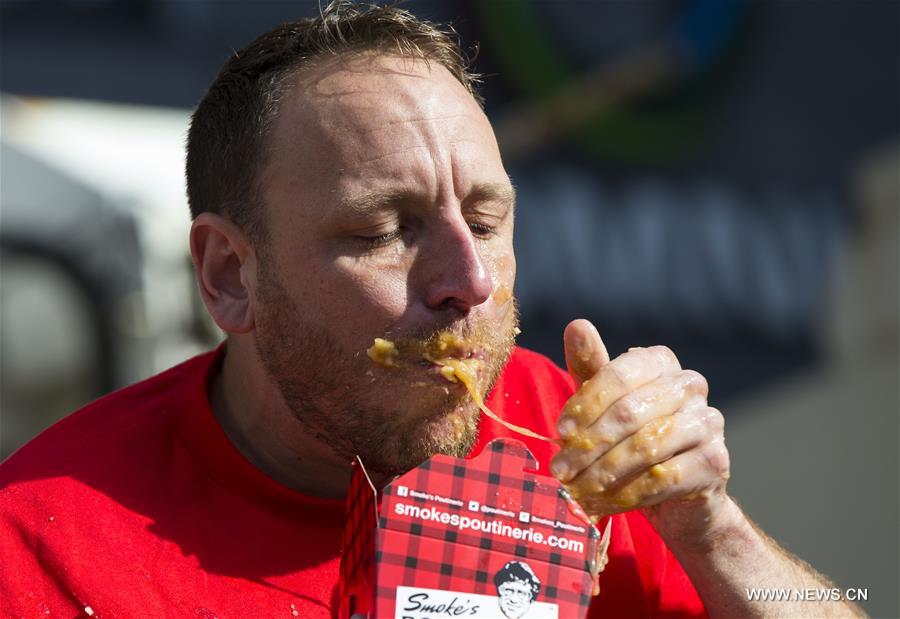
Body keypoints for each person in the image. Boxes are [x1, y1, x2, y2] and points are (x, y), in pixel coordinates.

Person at [1, 3, 863, 618]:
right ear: (230, 274)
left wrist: (711, 529)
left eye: (486, 220)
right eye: (389, 229)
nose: (471, 280)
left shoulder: (569, 439)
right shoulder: (41, 548)